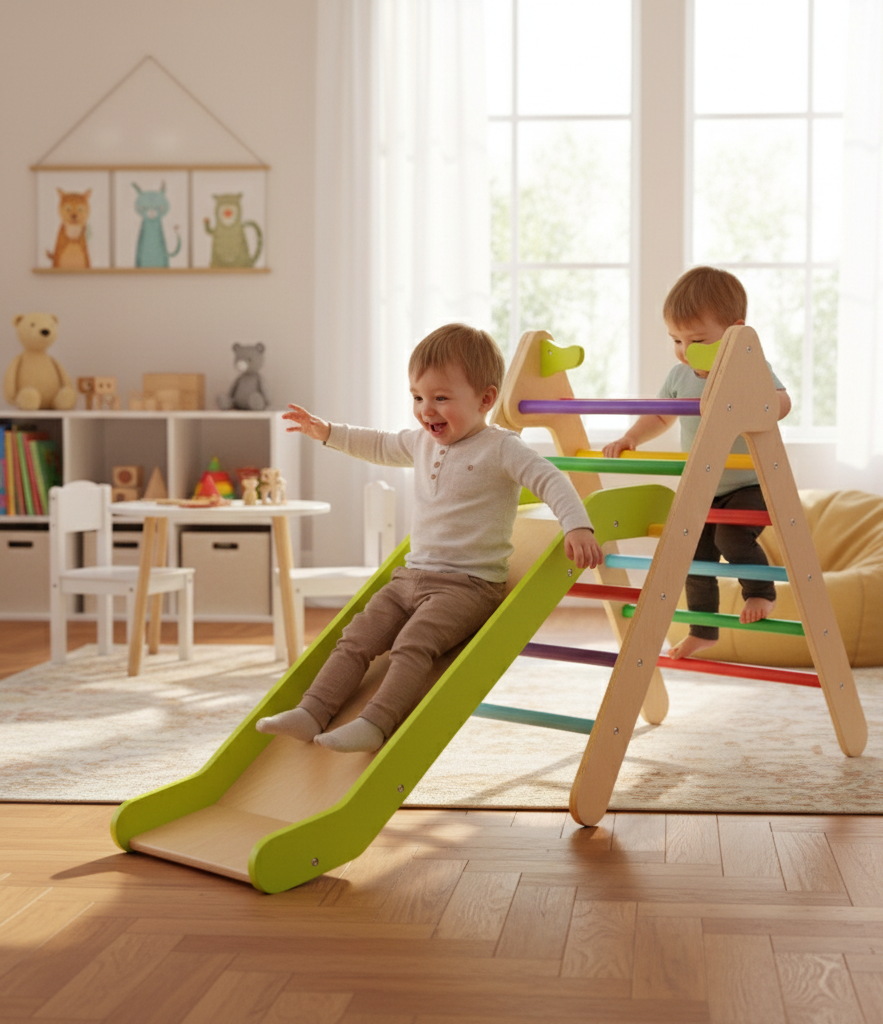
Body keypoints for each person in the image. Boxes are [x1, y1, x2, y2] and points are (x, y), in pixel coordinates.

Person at [257, 322, 604, 753]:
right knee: (357, 637)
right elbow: (379, 444)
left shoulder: (501, 448)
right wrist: (327, 431)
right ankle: (311, 712)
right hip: (411, 577)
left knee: (413, 643)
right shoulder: (422, 443)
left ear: (486, 399)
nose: (426, 410)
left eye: (441, 398)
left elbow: (550, 479)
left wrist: (577, 524)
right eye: (418, 398)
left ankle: (376, 723)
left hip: (469, 586)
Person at [602, 266, 791, 660]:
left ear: (737, 333)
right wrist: (631, 437)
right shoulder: (679, 376)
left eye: (698, 340)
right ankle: (703, 631)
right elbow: (660, 415)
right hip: (705, 488)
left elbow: (782, 401)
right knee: (694, 552)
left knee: (731, 538)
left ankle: (761, 592)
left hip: (751, 486)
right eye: (676, 340)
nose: (685, 351)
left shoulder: (748, 368)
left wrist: (758, 407)